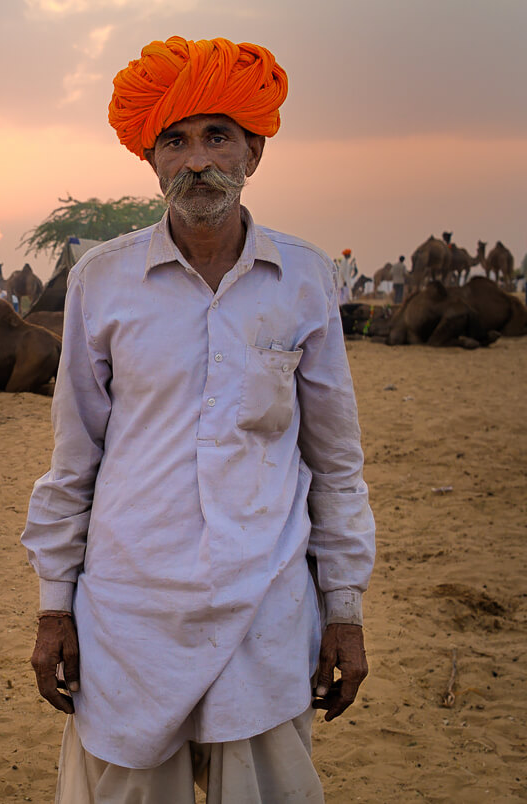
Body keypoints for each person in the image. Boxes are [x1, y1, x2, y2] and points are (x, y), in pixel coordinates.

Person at [22, 36, 375, 803]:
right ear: (150, 160)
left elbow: (336, 462)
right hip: (128, 610)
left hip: (267, 606)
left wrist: (343, 610)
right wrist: (55, 605)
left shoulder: (306, 278)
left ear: (254, 148)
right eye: (174, 141)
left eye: (217, 136)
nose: (195, 160)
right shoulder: (101, 280)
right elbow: (74, 455)